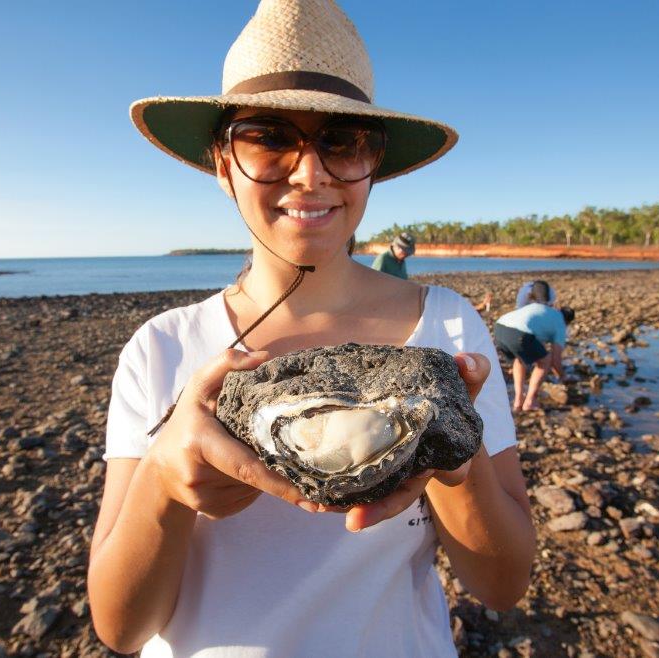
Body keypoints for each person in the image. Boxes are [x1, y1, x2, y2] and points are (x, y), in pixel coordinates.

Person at [87, 2, 535, 657]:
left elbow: (501, 586)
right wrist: (163, 480)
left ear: (373, 163)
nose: (309, 173)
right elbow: (121, 628)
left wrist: (455, 463)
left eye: (343, 141)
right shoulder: (162, 349)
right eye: (267, 136)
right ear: (221, 161)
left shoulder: (445, 329)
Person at [494, 281, 575, 412]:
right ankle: (530, 401)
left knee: (520, 359)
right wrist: (563, 376)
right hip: (519, 333)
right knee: (545, 361)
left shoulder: (543, 310)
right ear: (568, 321)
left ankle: (518, 400)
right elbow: (555, 359)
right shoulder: (560, 323)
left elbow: (536, 343)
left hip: (500, 328)